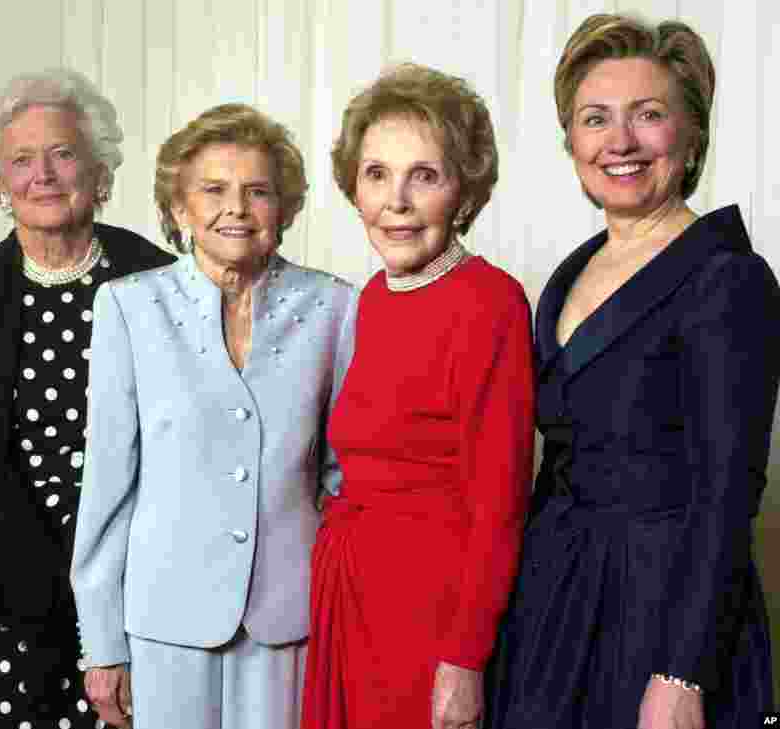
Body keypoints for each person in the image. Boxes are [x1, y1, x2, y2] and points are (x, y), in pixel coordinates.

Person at [487, 14, 778, 729]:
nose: (619, 142)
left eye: (648, 115)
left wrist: (683, 671)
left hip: (662, 611)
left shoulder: (728, 278)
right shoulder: (570, 273)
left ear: (691, 135)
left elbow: (726, 494)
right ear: (571, 142)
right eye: (595, 119)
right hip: (556, 597)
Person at [0, 69, 174, 728]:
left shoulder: (156, 279)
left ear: (99, 169)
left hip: (130, 591)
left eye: (64, 153)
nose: (43, 174)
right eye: (21, 159)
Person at [70, 103, 358, 729]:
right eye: (214, 190)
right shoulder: (129, 307)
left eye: (258, 191)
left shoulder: (335, 307)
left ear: (283, 209)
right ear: (179, 209)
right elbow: (108, 488)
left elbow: (344, 477)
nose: (237, 207)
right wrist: (102, 642)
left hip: (288, 616)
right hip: (164, 616)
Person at [299, 64, 536, 729]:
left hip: (430, 615)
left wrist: (463, 659)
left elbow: (500, 505)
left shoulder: (491, 303)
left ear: (463, 192)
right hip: (352, 597)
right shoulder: (370, 299)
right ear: (354, 187)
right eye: (377, 174)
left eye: (424, 176)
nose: (395, 201)